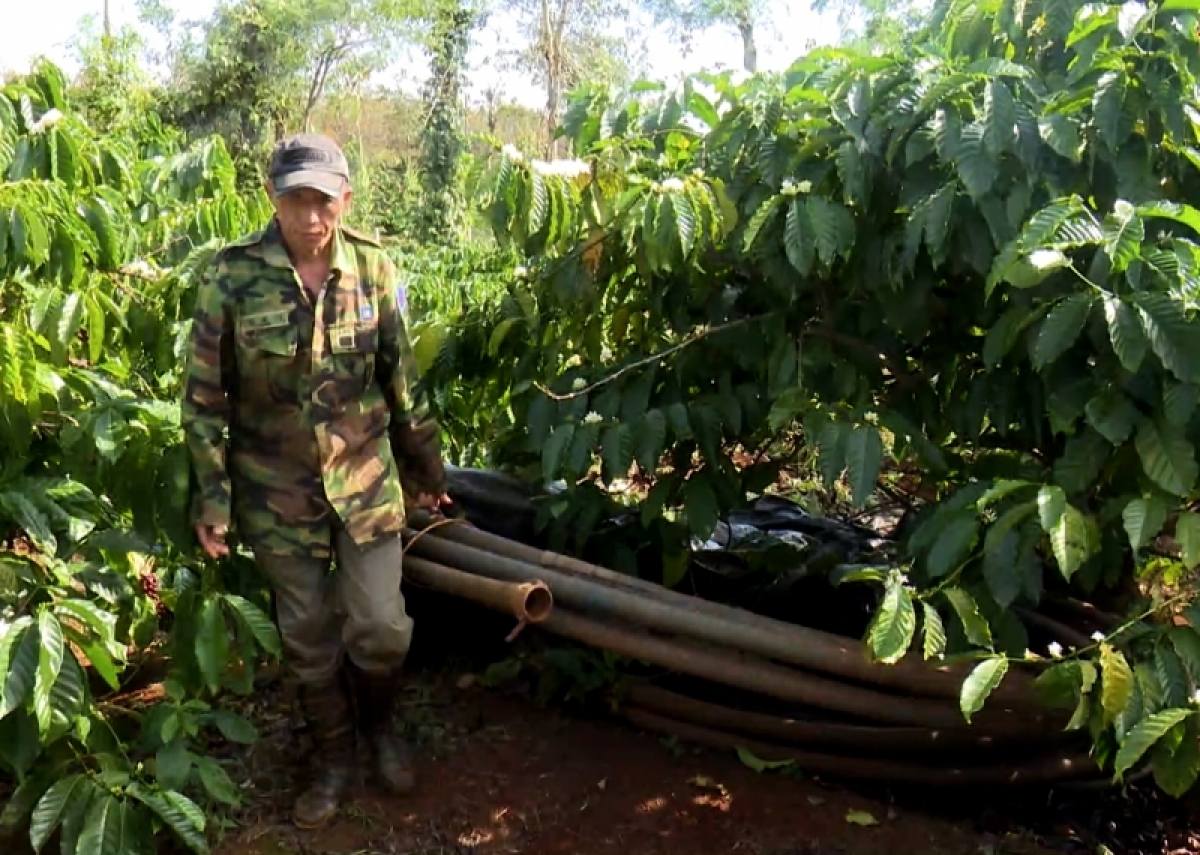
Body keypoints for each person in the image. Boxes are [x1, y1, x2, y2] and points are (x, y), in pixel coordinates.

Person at [180, 132, 446, 829]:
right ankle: (333, 757)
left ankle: (380, 730)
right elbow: (204, 397)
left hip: (364, 479)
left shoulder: (372, 267)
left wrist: (427, 467)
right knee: (305, 634)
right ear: (273, 198)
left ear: (345, 200)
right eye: (296, 200)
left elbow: (401, 378)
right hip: (275, 488)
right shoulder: (232, 275)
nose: (310, 216)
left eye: (323, 201)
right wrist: (212, 497)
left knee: (381, 625)